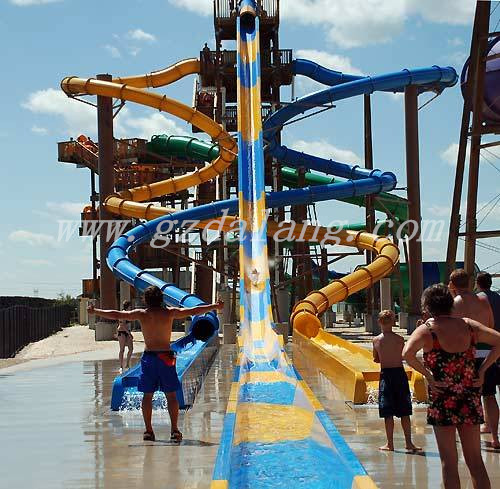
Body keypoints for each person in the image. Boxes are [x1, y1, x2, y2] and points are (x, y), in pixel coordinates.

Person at [88, 285, 224, 442]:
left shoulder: (142, 314)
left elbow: (117, 314)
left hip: (149, 358)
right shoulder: (169, 313)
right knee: (171, 395)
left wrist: (96, 311)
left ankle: (148, 431)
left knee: (147, 395)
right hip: (166, 357)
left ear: (146, 300)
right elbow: (194, 311)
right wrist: (215, 306)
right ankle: (174, 430)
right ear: (161, 299)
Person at [403, 284, 500, 489]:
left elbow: (407, 354)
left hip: (442, 398)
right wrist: (482, 370)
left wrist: (428, 375)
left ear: (427, 306)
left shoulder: (427, 330)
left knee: (449, 462)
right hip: (469, 396)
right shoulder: (469, 326)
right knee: (475, 461)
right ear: (450, 304)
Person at [449, 268, 497, 448]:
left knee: (463, 398)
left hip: (466, 354)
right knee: (490, 396)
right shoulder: (483, 301)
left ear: (452, 284)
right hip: (486, 353)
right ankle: (495, 437)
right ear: (470, 283)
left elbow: (452, 331)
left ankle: (466, 438)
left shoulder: (455, 303)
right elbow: (490, 325)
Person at [372, 310, 421, 452]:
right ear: (393, 322)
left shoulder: (376, 340)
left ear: (379, 322)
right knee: (405, 411)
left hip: (386, 375)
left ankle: (390, 444)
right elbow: (404, 355)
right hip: (399, 374)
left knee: (388, 412)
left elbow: (376, 359)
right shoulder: (400, 340)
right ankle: (408, 443)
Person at [476, 271, 500, 449]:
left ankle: (488, 428)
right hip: (498, 347)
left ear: (477, 283)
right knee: (491, 394)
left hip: (483, 350)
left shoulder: (477, 300)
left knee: (485, 393)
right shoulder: (498, 298)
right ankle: (492, 431)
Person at [116, 300, 134, 372]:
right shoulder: (123, 313)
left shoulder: (129, 313)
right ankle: (121, 366)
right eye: (130, 306)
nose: (131, 307)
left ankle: (127, 364)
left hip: (127, 331)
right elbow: (122, 325)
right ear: (128, 306)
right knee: (122, 349)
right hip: (122, 332)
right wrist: (129, 334)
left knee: (131, 348)